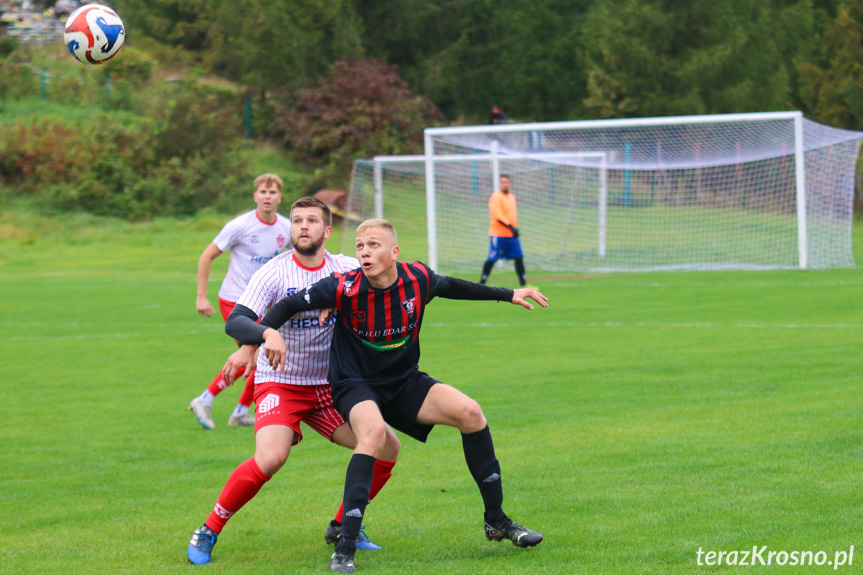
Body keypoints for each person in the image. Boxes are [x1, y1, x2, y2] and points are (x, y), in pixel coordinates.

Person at [226, 218, 547, 574]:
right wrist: (258, 339)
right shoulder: (341, 287)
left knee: (471, 413)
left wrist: (508, 293)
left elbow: (453, 285)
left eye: (374, 245)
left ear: (394, 252)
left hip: (404, 381)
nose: (364, 251)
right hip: (356, 384)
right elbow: (285, 306)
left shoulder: (418, 278)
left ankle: (497, 520)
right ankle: (345, 546)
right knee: (374, 435)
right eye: (360, 246)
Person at [186, 198, 399, 566]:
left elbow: (384, 287)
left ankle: (341, 525)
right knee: (271, 458)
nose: (302, 226)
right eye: (297, 220)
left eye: (312, 220)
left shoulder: (348, 269)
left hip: (331, 388)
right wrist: (262, 336)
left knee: (384, 445)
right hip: (281, 383)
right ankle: (208, 529)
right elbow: (236, 320)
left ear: (327, 231)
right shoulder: (274, 272)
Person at [188, 173, 292, 429]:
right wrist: (201, 297)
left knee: (264, 357)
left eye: (272, 192)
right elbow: (206, 257)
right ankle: (206, 399)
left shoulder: (286, 227)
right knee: (255, 355)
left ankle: (239, 412)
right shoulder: (240, 225)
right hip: (236, 301)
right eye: (263, 192)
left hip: (264, 302)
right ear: (255, 196)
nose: (267, 196)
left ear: (280, 197)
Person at [480, 175, 527, 287]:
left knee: (519, 257)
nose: (504, 184)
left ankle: (523, 284)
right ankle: (482, 282)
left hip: (511, 235)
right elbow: (498, 216)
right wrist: (511, 227)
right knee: (492, 258)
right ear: (500, 184)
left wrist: (513, 229)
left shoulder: (511, 197)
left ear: (510, 183)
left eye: (506, 182)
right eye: (502, 182)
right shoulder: (496, 197)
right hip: (498, 234)